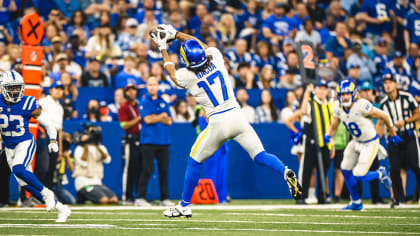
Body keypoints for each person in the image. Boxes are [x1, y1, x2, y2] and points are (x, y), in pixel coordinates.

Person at [151, 24, 302, 217]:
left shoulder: (189, 76)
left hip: (218, 122)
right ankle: (285, 171)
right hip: (238, 117)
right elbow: (203, 46)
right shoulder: (216, 58)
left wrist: (163, 46)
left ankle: (184, 206)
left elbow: (171, 73)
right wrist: (177, 34)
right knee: (260, 155)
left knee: (194, 160)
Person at [0, 70, 70, 222]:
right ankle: (62, 209)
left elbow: (49, 124)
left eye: (17, 87)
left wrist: (53, 140)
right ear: (2, 88)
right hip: (8, 147)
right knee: (25, 182)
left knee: (19, 168)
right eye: (11, 88)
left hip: (24, 142)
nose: (14, 91)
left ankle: (47, 193)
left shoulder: (28, 103)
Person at [324, 80, 397, 210]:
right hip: (355, 141)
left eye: (348, 94)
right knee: (345, 169)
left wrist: (392, 132)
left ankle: (381, 173)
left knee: (359, 174)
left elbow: (384, 116)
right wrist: (328, 135)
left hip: (370, 142)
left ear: (353, 94)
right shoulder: (337, 107)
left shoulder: (362, 105)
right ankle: (356, 202)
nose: (345, 97)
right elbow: (334, 124)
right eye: (342, 94)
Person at [378, 74, 420, 208]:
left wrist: (406, 121)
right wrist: (374, 140)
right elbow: (380, 123)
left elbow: (418, 112)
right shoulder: (383, 103)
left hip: (408, 136)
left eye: (390, 82)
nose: (387, 85)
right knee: (394, 169)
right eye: (385, 83)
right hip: (393, 139)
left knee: (416, 165)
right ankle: (399, 199)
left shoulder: (407, 97)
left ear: (396, 84)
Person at [136, 76, 174, 207]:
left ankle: (164, 198)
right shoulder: (143, 102)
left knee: (164, 170)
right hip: (148, 141)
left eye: (154, 85)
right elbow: (147, 120)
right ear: (146, 87)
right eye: (150, 85)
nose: (152, 87)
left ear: (158, 86)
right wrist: (161, 117)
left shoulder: (163, 101)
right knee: (147, 169)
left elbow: (169, 121)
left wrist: (156, 117)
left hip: (164, 141)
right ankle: (140, 198)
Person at [73, 124, 118, 205]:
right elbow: (83, 163)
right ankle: (81, 196)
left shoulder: (101, 147)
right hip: (83, 182)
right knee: (103, 200)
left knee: (114, 200)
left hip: (97, 181)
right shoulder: (79, 149)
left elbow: (107, 160)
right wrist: (86, 146)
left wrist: (98, 147)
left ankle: (90, 196)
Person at [118, 84, 142, 204]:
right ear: (126, 93)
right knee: (129, 168)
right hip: (130, 139)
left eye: (134, 90)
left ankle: (138, 196)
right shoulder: (123, 107)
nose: (132, 92)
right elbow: (123, 125)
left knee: (140, 168)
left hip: (141, 139)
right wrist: (138, 119)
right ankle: (127, 196)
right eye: (129, 90)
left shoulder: (140, 105)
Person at [38, 81, 64, 189]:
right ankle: (35, 194)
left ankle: (46, 195)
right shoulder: (43, 102)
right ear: (50, 90)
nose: (58, 91)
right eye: (56, 88)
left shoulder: (60, 107)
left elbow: (59, 130)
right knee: (43, 167)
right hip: (44, 134)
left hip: (55, 137)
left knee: (51, 168)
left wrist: (60, 150)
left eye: (61, 89)